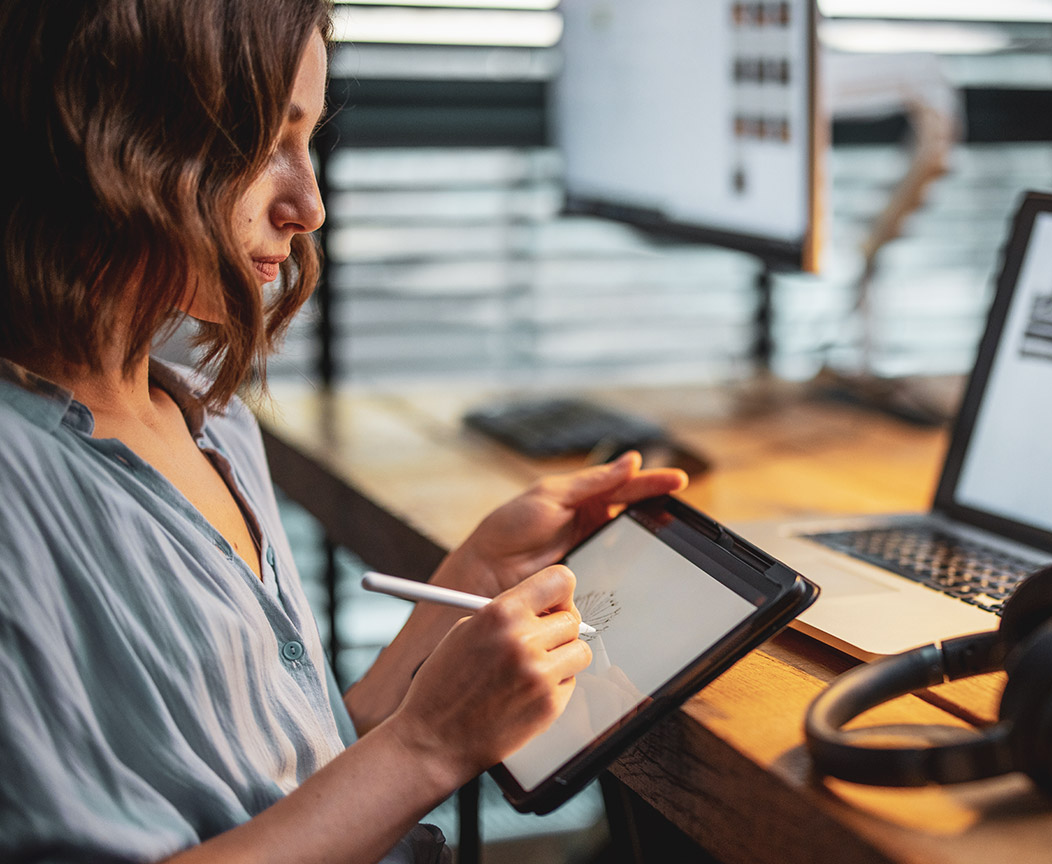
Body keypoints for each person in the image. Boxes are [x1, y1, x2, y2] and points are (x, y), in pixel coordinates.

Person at [0, 1, 686, 861]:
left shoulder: (207, 424)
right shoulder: (18, 489)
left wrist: (472, 576)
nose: (310, 205)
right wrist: (429, 744)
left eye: (311, 142)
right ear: (108, 137)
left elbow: (293, 784)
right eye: (262, 144)